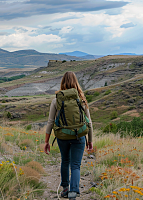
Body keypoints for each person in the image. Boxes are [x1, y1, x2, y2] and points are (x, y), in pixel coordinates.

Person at [44, 71, 93, 199]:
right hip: (79, 136)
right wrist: (90, 140)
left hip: (62, 136)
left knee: (65, 160)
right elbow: (89, 122)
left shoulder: (56, 100)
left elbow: (50, 122)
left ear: (62, 83)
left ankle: (65, 188)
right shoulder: (82, 99)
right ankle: (73, 191)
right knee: (76, 165)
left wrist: (46, 141)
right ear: (76, 82)